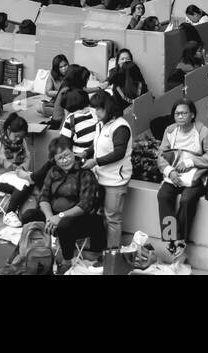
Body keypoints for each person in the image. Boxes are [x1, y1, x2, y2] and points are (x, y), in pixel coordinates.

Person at [18, 136, 106, 274]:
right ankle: (36, 250)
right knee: (28, 215)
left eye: (67, 155)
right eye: (60, 158)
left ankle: (67, 261)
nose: (65, 160)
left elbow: (85, 205)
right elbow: (44, 197)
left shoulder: (84, 173)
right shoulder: (53, 172)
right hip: (54, 215)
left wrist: (59, 216)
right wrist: (49, 217)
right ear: (55, 160)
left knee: (64, 224)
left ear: (73, 153)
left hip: (80, 218)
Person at [156, 99, 208, 263]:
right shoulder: (170, 131)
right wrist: (170, 172)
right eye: (177, 113)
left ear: (192, 115)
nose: (180, 116)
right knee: (163, 196)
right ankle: (170, 239)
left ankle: (180, 240)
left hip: (195, 177)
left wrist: (191, 162)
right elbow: (161, 156)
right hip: (175, 177)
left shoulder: (203, 132)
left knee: (186, 199)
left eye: (184, 113)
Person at [89, 91, 132, 255]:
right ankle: (100, 251)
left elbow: (119, 152)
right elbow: (98, 144)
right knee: (99, 216)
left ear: (108, 108)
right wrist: (86, 154)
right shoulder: (100, 124)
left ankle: (112, 255)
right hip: (99, 177)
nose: (96, 113)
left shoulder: (120, 126)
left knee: (112, 218)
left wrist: (96, 161)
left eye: (98, 109)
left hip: (115, 181)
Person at [56, 88, 98, 163]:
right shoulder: (95, 112)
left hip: (80, 156)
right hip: (97, 152)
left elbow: (64, 141)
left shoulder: (71, 119)